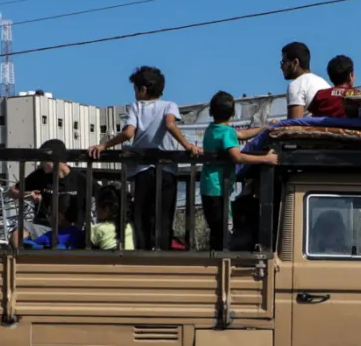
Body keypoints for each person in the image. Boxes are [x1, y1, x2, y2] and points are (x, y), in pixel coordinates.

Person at [88, 66, 201, 249]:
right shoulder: (169, 105)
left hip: (142, 170)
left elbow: (128, 133)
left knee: (141, 215)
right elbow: (170, 125)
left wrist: (104, 145)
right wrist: (188, 146)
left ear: (143, 89)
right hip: (166, 170)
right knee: (164, 216)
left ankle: (143, 252)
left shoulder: (135, 107)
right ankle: (162, 252)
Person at [200, 91, 278, 250]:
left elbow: (241, 134)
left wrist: (264, 128)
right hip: (218, 188)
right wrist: (266, 159)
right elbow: (237, 156)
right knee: (223, 233)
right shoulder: (226, 132)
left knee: (216, 231)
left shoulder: (213, 129)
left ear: (211, 112)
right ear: (233, 112)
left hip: (208, 185)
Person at [7, 140, 75, 246]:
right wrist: (28, 194)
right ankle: (22, 260)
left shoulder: (78, 178)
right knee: (18, 232)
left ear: (53, 159)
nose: (40, 163)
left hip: (70, 229)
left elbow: (102, 194)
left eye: (43, 159)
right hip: (43, 227)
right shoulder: (40, 175)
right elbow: (11, 192)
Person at [281, 41, 330, 119]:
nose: (281, 66)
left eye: (284, 61)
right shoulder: (323, 83)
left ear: (295, 62)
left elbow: (294, 125)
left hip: (312, 129)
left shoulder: (296, 85)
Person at [89, 184, 135, 250]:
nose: (96, 210)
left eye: (97, 206)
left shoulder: (98, 229)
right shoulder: (129, 227)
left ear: (106, 209)